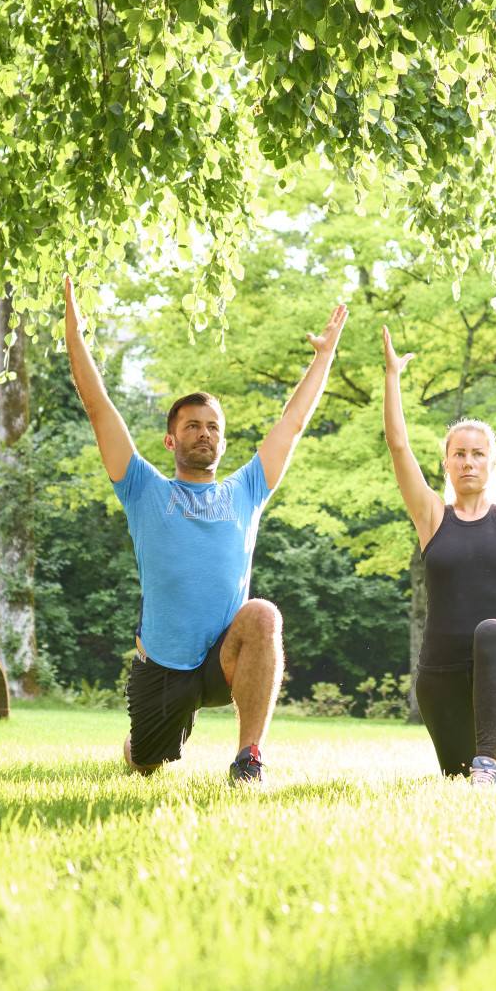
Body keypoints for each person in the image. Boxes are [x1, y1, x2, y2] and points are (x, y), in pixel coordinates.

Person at [63, 278, 345, 784]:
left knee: (262, 615)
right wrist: (75, 336)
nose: (204, 433)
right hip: (165, 666)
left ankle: (248, 757)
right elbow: (99, 408)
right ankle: (141, 741)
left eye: (212, 425)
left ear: (223, 438)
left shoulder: (248, 488)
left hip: (225, 657)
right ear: (171, 439)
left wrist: (323, 357)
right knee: (145, 763)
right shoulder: (143, 488)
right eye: (192, 425)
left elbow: (294, 422)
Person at [381, 322, 496, 784]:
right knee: (455, 778)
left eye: (478, 454)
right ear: (447, 463)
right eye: (459, 454)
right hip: (440, 673)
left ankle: (488, 760)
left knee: (491, 631)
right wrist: (392, 378)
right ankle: (489, 764)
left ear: (493, 461)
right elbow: (398, 446)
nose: (468, 462)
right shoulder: (432, 517)